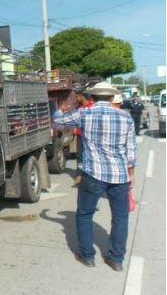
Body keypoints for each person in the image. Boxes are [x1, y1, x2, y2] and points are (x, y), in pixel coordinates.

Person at [53, 82, 136, 271]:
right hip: (120, 175)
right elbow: (130, 153)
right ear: (111, 98)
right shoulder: (126, 117)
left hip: (93, 174)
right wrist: (131, 175)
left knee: (84, 214)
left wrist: (59, 110)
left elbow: (58, 121)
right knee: (120, 218)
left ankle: (87, 256)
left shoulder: (84, 114)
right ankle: (116, 260)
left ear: (92, 97)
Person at [73, 90, 95, 186]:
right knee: (80, 155)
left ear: (82, 96)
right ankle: (79, 175)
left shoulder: (93, 107)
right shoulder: (78, 107)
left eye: (77, 97)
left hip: (90, 136)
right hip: (80, 135)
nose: (76, 99)